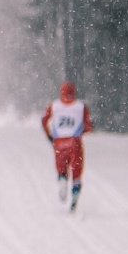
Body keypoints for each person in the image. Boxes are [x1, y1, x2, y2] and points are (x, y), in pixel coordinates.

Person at [41, 81, 91, 212]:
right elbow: (88, 125)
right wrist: (82, 131)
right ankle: (75, 192)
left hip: (59, 142)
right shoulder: (81, 106)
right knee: (77, 170)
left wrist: (49, 135)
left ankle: (62, 179)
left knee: (61, 167)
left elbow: (44, 119)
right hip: (75, 141)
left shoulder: (54, 106)